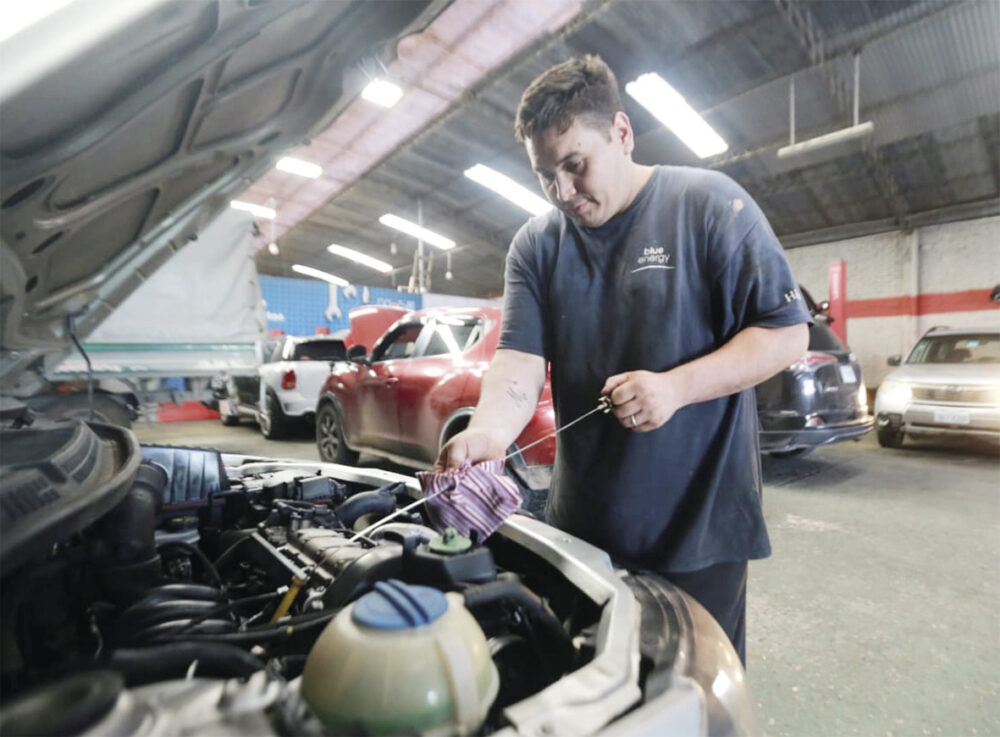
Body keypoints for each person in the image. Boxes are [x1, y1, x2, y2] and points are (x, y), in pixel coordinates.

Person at [435, 55, 810, 663]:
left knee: (690, 703)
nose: (562, 191)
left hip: (700, 535)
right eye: (544, 174)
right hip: (582, 532)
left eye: (575, 165)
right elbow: (519, 362)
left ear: (623, 133)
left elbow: (787, 334)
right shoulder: (536, 245)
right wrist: (487, 433)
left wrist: (677, 388)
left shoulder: (711, 206)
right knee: (592, 691)